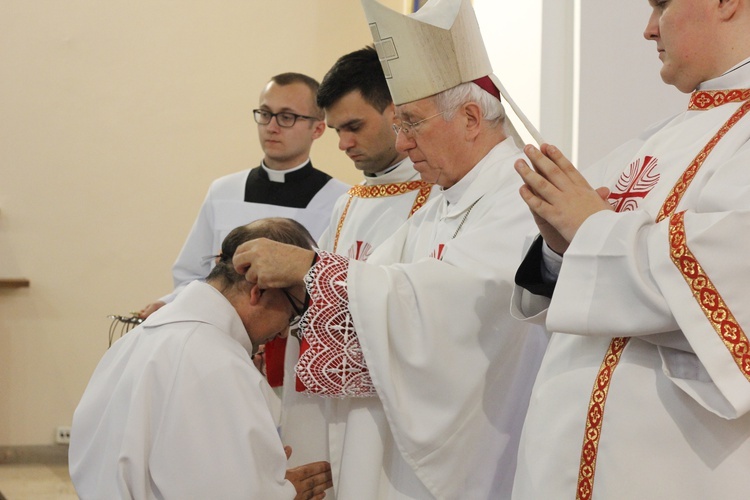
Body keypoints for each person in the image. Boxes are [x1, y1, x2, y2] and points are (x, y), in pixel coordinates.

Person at [231, 0, 548, 497]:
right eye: (398, 126)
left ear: (470, 118)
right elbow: (370, 286)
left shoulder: (521, 197)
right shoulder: (445, 201)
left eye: (413, 124)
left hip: (475, 449)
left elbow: (458, 302)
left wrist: (309, 267)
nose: (402, 145)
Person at [510, 0, 750, 498]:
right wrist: (559, 247)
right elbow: (583, 272)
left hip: (675, 466)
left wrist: (591, 231)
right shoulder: (651, 142)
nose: (647, 30)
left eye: (661, 5)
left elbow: (732, 275)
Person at [69, 218, 333, 499]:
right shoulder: (218, 363)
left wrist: (257, 467)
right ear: (259, 291)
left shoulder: (135, 340)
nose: (283, 331)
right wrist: (282, 492)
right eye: (292, 313)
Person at [275, 45, 440, 475]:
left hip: (396, 407)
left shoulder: (438, 198)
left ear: (395, 111)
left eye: (354, 126)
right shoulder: (348, 202)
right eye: (335, 131)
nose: (344, 144)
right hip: (333, 400)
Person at [139, 72, 350, 319]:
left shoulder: (341, 200)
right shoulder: (223, 191)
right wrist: (168, 304)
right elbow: (192, 276)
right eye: (265, 114)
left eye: (286, 117)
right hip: (219, 332)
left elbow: (335, 286)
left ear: (318, 128)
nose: (272, 127)